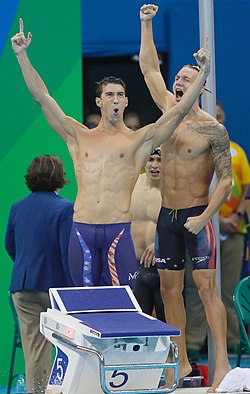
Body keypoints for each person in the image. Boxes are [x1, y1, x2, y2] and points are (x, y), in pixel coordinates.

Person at [11, 18, 210, 291]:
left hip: (118, 232)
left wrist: (204, 74)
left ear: (126, 101)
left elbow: (176, 112)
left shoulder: (139, 140)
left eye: (120, 95)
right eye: (109, 95)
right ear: (99, 101)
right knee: (86, 309)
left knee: (123, 307)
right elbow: (43, 97)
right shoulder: (78, 136)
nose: (115, 99)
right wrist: (22, 55)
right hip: (81, 231)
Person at [139, 4, 232, 392]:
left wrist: (205, 216)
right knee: (168, 291)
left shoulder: (213, 131)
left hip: (197, 215)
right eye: (177, 77)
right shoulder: (166, 111)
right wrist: (146, 24)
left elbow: (225, 183)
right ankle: (181, 366)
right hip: (167, 217)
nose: (177, 82)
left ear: (201, 87)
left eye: (186, 78)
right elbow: (148, 68)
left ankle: (222, 365)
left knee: (208, 289)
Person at [185, 101, 250, 357]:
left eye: (220, 117)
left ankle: (234, 341)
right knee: (196, 288)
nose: (217, 121)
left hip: (233, 230)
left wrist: (235, 216)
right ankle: (192, 342)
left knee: (228, 288)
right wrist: (212, 219)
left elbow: (244, 189)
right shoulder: (193, 151)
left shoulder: (236, 152)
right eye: (213, 116)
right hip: (201, 227)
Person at [5, 155, 74, 394]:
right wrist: (74, 291)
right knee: (73, 346)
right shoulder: (65, 208)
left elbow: (9, 246)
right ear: (59, 176)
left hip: (22, 289)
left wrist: (29, 267)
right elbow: (68, 255)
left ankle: (36, 392)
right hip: (55, 290)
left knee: (35, 349)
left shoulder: (17, 206)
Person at [131, 147, 165, 321]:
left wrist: (160, 243)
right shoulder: (131, 183)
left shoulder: (174, 190)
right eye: (151, 159)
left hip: (165, 267)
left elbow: (185, 225)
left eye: (160, 160)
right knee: (137, 326)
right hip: (135, 267)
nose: (154, 165)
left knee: (167, 325)